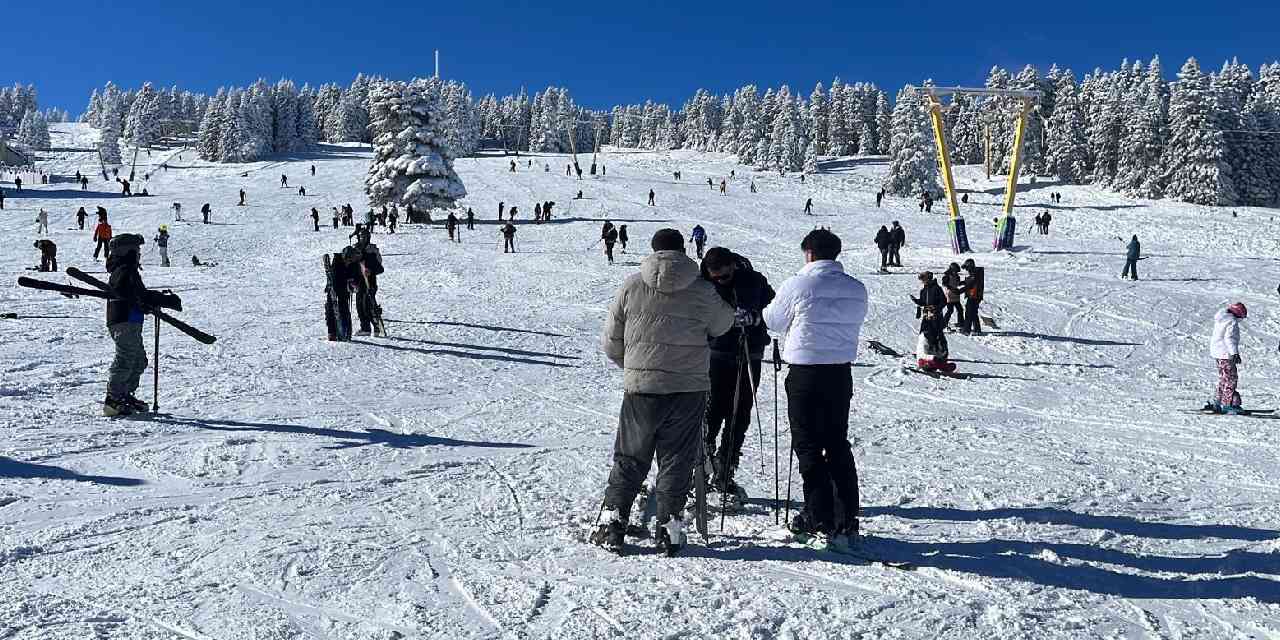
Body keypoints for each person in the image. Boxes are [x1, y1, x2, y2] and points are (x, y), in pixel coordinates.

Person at [593, 228, 735, 556]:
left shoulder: (632, 285)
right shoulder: (702, 289)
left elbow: (611, 340)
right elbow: (724, 324)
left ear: (653, 250)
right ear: (683, 250)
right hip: (687, 389)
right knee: (676, 460)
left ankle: (613, 522)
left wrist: (635, 368)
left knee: (630, 457)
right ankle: (669, 529)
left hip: (642, 390)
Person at [762, 229, 868, 549]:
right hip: (840, 372)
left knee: (807, 445)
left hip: (806, 373)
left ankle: (819, 515)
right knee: (836, 443)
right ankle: (848, 516)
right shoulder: (856, 288)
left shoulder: (798, 283)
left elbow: (774, 321)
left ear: (808, 252)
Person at [700, 247, 776, 498]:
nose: (719, 281)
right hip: (716, 353)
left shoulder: (754, 280)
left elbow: (774, 311)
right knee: (712, 409)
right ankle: (702, 462)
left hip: (749, 353)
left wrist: (755, 318)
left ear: (733, 266)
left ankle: (726, 468)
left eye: (723, 276)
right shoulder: (703, 284)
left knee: (739, 411)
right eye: (715, 277)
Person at [102, 234, 155, 416]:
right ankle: (114, 398)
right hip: (123, 320)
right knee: (126, 357)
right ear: (128, 251)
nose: (139, 254)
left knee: (139, 359)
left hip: (132, 320)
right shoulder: (124, 270)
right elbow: (133, 294)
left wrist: (154, 301)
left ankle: (125, 393)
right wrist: (154, 299)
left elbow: (139, 295)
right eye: (137, 250)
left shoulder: (128, 269)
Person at [1208, 303, 1247, 414]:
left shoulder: (1221, 319)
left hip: (1218, 353)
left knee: (1223, 378)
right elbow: (1229, 339)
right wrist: (1234, 353)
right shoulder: (1232, 322)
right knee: (1231, 379)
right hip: (1225, 354)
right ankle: (1227, 404)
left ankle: (1218, 401)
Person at [912, 272, 954, 373]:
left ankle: (941, 355)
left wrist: (936, 308)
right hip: (926, 316)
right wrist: (917, 301)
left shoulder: (936, 289)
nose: (922, 282)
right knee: (924, 333)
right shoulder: (923, 290)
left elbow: (944, 301)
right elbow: (923, 301)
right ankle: (924, 353)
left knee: (937, 334)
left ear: (929, 279)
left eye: (923, 279)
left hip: (936, 316)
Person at [351, 237, 385, 337]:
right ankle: (365, 328)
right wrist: (352, 282)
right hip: (360, 285)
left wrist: (371, 271)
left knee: (368, 307)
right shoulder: (355, 260)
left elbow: (380, 269)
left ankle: (377, 327)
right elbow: (352, 272)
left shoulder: (370, 257)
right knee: (359, 307)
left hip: (370, 285)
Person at [959, 258, 985, 335]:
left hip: (974, 296)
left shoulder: (975, 274)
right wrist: (961, 282)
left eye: (967, 268)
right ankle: (977, 329)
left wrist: (960, 291)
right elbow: (969, 282)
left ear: (970, 266)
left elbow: (971, 284)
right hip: (975, 296)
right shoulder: (975, 272)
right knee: (973, 313)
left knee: (969, 313)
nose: (966, 270)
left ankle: (967, 330)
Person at [940, 262, 965, 330]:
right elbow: (944, 284)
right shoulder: (947, 276)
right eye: (955, 271)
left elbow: (957, 283)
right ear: (951, 270)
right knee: (950, 310)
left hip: (956, 294)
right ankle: (943, 324)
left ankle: (961, 322)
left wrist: (964, 282)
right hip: (950, 295)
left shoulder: (957, 276)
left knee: (960, 309)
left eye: (957, 271)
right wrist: (951, 288)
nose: (956, 272)